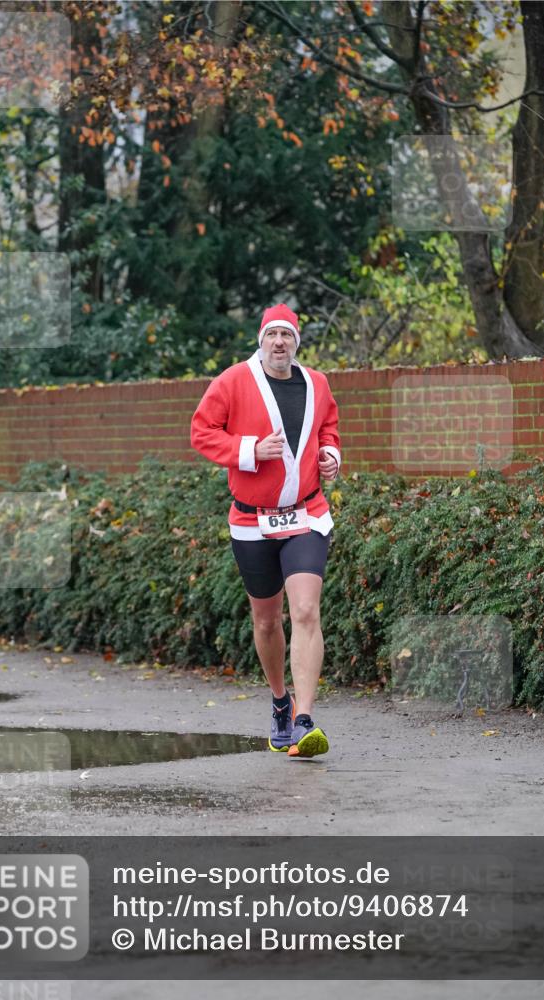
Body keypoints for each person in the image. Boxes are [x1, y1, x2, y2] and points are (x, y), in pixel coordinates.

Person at [190, 303, 341, 758]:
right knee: (266, 619)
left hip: (306, 516)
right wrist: (251, 448)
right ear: (261, 339)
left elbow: (328, 427)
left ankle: (304, 720)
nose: (280, 342)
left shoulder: (316, 383)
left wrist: (331, 454)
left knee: (307, 611)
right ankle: (280, 701)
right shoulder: (234, 380)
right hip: (252, 521)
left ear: (297, 342)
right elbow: (201, 431)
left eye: (287, 335)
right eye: (272, 334)